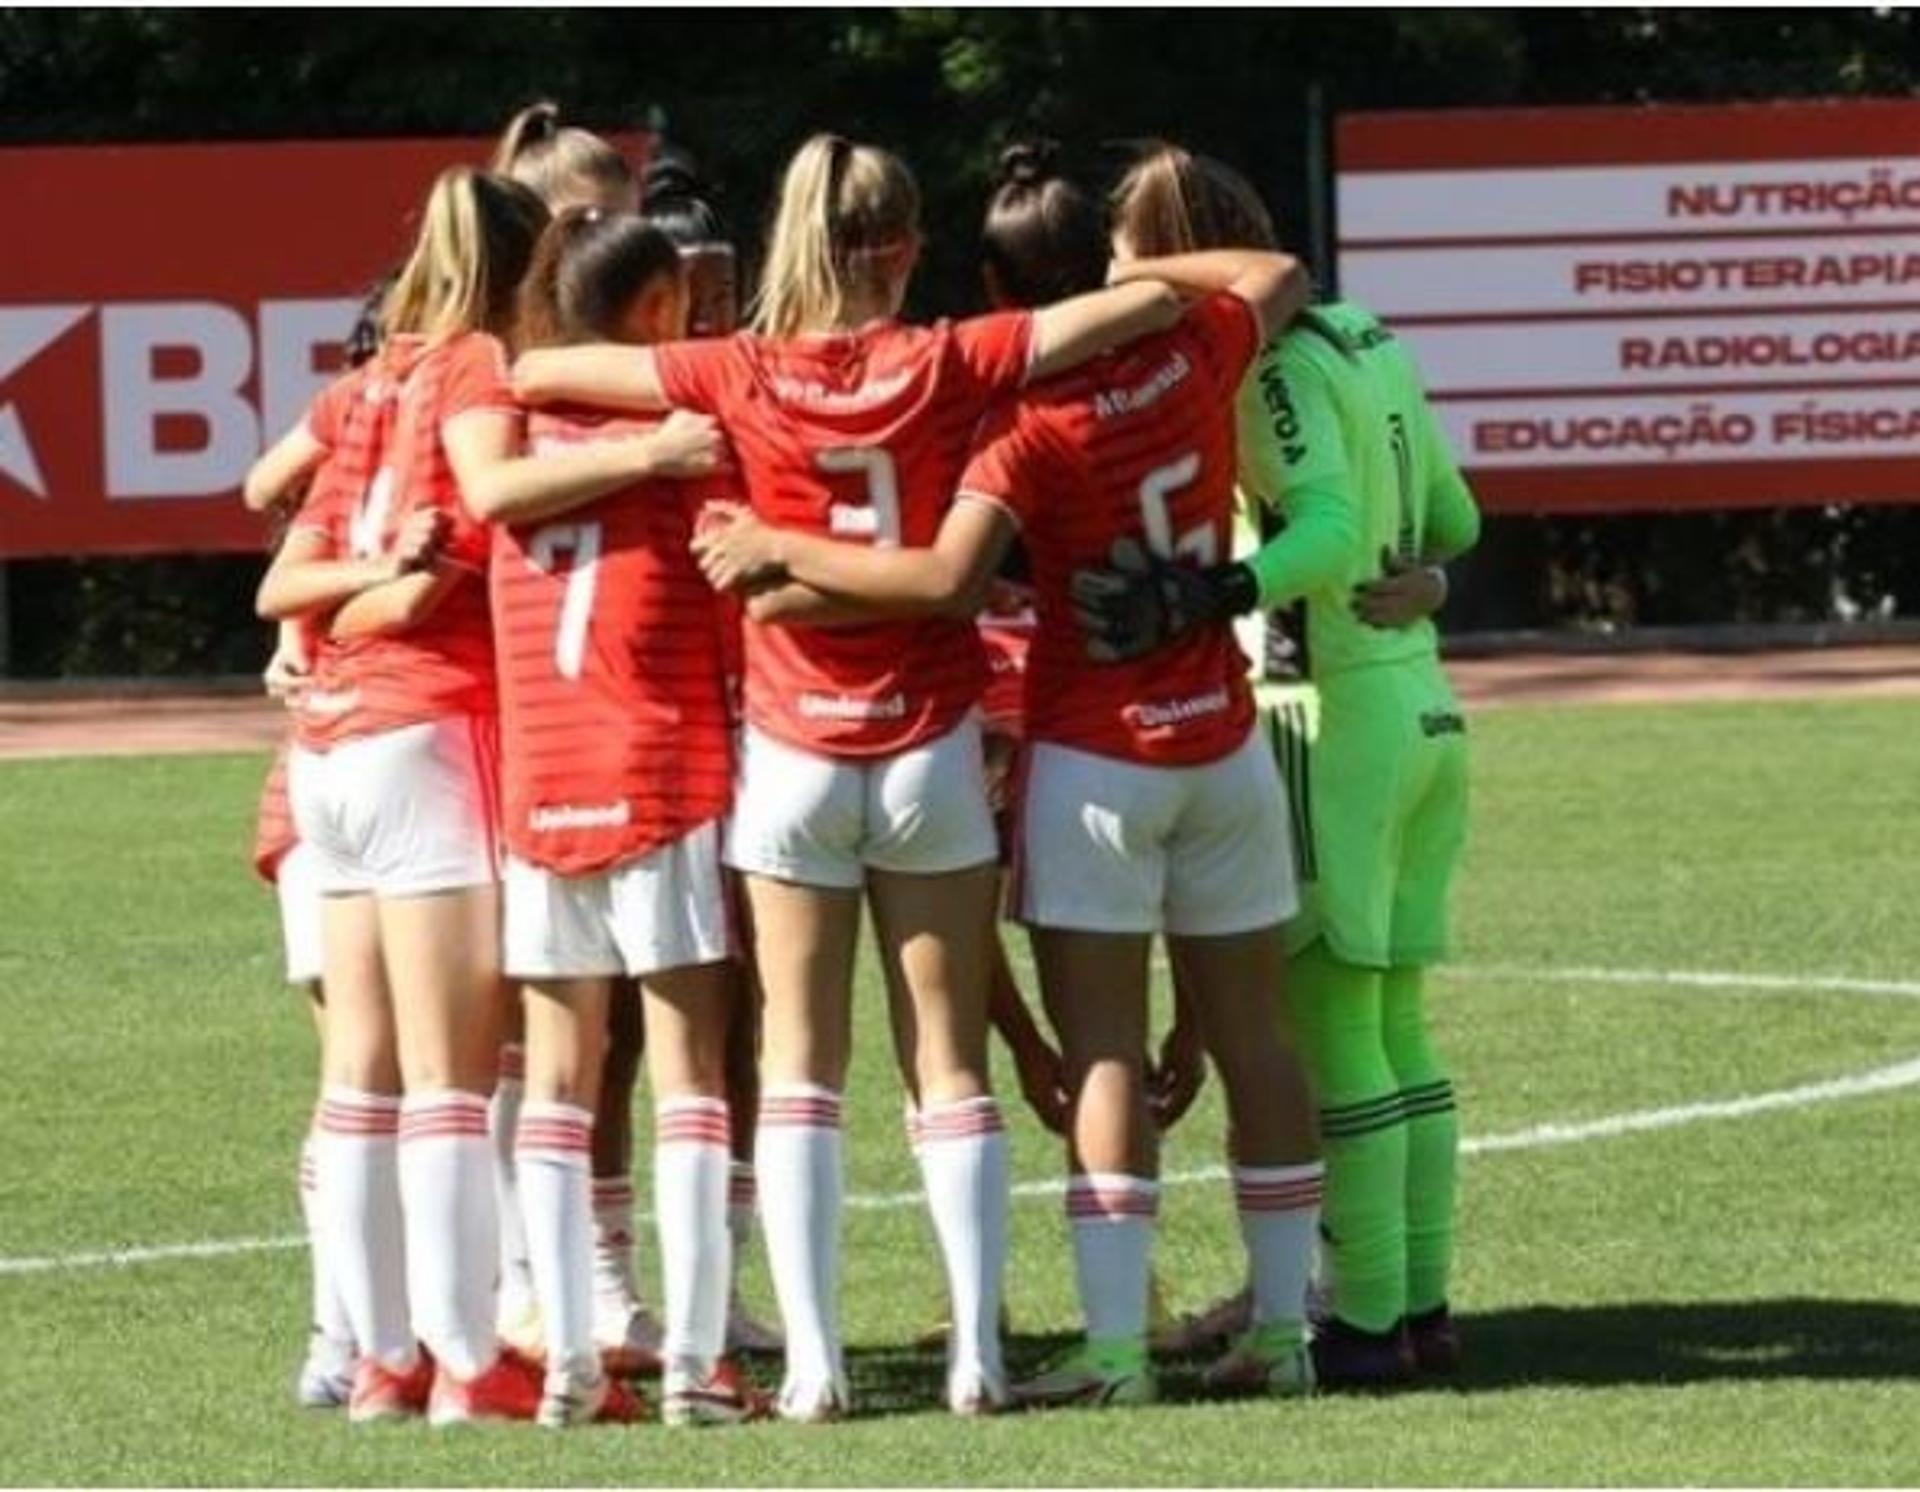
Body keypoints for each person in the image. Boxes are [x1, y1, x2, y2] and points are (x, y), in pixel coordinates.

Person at [513, 131, 1184, 1421]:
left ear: (793, 244)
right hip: (930, 736)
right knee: (947, 1065)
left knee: (805, 1069)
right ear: (905, 247)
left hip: (794, 750)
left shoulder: (736, 367)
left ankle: (816, 1365)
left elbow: (547, 363)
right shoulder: (948, 356)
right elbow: (1143, 304)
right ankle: (976, 1355)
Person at [688, 142, 1321, 1408]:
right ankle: (1289, 1332)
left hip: (1094, 751)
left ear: (1000, 289)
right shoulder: (1202, 354)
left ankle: (1115, 1352)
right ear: (1103, 268)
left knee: (1096, 1051)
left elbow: (940, 579)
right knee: (1259, 1041)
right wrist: (1153, 274)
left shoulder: (1019, 424)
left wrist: (773, 553)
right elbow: (1280, 273)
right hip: (1224, 737)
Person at [1081, 144, 1480, 1388]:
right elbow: (1450, 520)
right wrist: (1430, 582)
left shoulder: (1262, 366)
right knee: (1398, 1023)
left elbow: (1329, 530)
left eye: (1122, 245)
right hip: (1420, 700)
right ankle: (1413, 1305)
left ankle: (1357, 1324)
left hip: (1333, 719)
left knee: (1327, 1026)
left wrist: (1218, 594)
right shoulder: (1369, 334)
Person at [256, 164, 554, 1425]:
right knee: (452, 1076)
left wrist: (366, 590)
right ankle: (465, 1364)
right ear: (526, 271)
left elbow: (285, 587)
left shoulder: (370, 384)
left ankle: (381, 1359)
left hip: (330, 748)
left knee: (361, 1076)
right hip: (428, 731)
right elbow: (479, 508)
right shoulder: (478, 369)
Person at [469, 204, 774, 1426]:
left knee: (560, 1078)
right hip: (659, 765)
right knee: (692, 1072)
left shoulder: (517, 438)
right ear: (656, 315)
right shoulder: (689, 439)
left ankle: (573, 1362)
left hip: (544, 774)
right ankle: (699, 1359)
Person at [490, 98, 664, 1379]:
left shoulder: (603, 362)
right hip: (507, 728)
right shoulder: (485, 360)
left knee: (624, 1039)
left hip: (615, 728)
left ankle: (596, 1287)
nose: (617, 239)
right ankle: (529, 1285)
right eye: (592, 219)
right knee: (531, 1035)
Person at [637, 148, 786, 1358]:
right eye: (689, 290)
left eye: (725, 288)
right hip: (646, 748)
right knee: (617, 1023)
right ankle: (585, 1279)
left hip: (767, 731)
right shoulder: (601, 407)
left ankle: (721, 1282)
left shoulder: (763, 386)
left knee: (743, 1015)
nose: (710, 312)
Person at [243, 283, 392, 1412]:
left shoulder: (363, 457)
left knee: (376, 1075)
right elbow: (283, 586)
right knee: (371, 1074)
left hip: (337, 789)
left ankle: (363, 1332)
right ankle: (347, 1331)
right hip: (344, 791)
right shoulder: (359, 467)